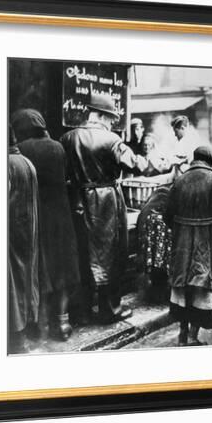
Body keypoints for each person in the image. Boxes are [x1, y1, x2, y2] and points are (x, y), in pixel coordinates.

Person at [60, 93, 149, 324]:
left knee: (83, 254)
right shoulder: (111, 140)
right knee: (112, 254)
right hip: (106, 201)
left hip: (78, 199)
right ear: (101, 115)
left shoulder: (68, 137)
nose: (111, 123)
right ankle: (110, 310)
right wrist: (147, 159)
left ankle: (82, 312)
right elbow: (136, 165)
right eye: (110, 118)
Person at [14, 109, 80, 341]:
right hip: (61, 216)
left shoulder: (22, 149)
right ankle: (62, 322)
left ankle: (39, 325)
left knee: (40, 270)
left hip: (36, 217)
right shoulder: (58, 147)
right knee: (63, 266)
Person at [164, 146, 212, 346]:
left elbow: (167, 214)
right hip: (206, 240)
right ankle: (193, 336)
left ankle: (182, 334)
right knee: (201, 286)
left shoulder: (179, 181)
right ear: (211, 162)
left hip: (182, 242)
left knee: (181, 286)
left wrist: (181, 227)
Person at [8, 127, 41, 352]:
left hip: (10, 229)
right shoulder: (26, 162)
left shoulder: (5, 164)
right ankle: (29, 327)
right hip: (29, 228)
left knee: (12, 283)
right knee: (27, 278)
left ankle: (16, 340)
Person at [136, 186, 172, 303]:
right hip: (165, 228)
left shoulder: (147, 209)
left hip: (149, 227)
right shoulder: (168, 201)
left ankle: (154, 289)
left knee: (152, 257)